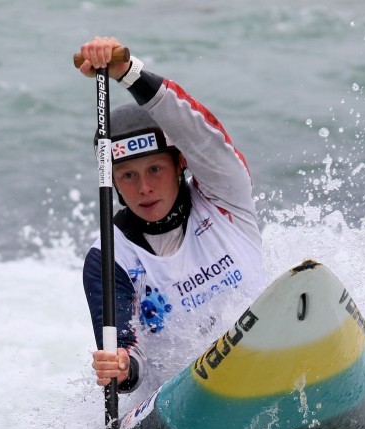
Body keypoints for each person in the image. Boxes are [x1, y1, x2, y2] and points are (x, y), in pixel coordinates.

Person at [78, 36, 266, 410]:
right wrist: (121, 367)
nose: (144, 188)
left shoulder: (223, 196)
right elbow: (131, 359)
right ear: (112, 182)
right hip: (186, 407)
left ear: (180, 164)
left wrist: (129, 74)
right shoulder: (110, 257)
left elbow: (200, 133)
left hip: (264, 364)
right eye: (127, 176)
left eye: (154, 169)